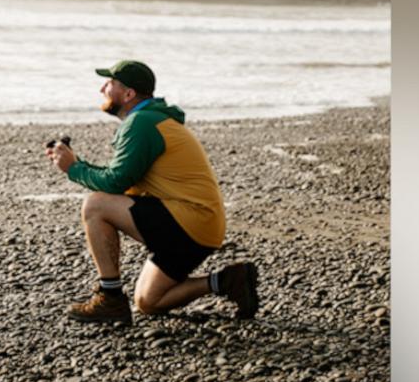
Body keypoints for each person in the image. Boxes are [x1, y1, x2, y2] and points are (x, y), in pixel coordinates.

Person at [46, 60, 259, 324]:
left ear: (128, 94)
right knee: (148, 302)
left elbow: (114, 185)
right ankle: (227, 280)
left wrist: (74, 169)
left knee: (96, 205)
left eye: (109, 83)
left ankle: (110, 298)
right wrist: (77, 164)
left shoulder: (142, 123)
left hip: (189, 222)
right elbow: (123, 183)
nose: (103, 88)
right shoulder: (153, 120)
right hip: (202, 228)